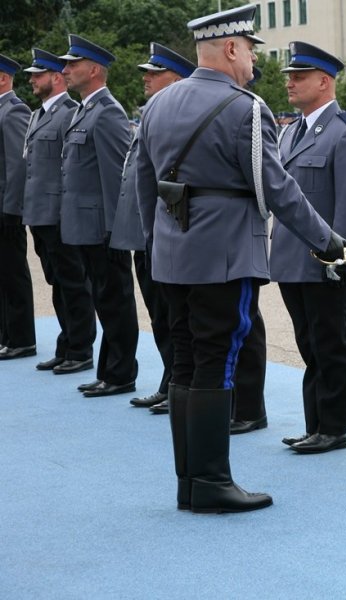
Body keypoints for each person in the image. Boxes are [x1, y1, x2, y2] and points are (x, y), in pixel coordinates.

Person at [134, 4, 346, 514]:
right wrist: (325, 239)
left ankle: (189, 481)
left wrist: (157, 242)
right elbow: (277, 187)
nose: (253, 60)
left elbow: (143, 186)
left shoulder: (158, 105)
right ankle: (211, 481)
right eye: (250, 49)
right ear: (230, 48)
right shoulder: (245, 107)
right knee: (217, 362)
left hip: (172, 255)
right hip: (224, 255)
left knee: (185, 362)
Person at [271, 41, 346, 454]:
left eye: (299, 77)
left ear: (324, 81)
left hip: (324, 260)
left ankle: (334, 428)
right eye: (290, 77)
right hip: (289, 259)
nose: (291, 83)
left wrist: (338, 257)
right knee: (309, 345)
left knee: (331, 344)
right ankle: (315, 423)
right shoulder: (290, 132)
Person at [109, 43, 195, 412]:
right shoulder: (152, 117)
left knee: (176, 317)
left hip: (169, 234)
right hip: (147, 235)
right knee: (161, 315)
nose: (145, 77)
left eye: (154, 72)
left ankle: (180, 384)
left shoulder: (179, 122)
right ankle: (170, 380)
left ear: (176, 81)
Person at [59, 35, 139, 395]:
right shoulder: (84, 109)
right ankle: (109, 370)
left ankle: (121, 374)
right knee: (105, 302)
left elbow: (117, 178)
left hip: (103, 229)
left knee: (115, 301)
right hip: (86, 227)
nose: (65, 70)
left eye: (72, 64)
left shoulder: (107, 112)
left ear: (93, 70)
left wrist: (115, 232)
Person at [21, 49, 95, 372]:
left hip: (60, 214)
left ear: (55, 78)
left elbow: (71, 169)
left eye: (38, 75)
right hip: (40, 214)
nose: (31, 80)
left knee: (74, 283)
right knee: (58, 283)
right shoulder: (38, 115)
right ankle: (67, 344)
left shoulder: (68, 113)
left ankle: (80, 350)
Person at [0, 54, 36, 360]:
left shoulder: (13, 110)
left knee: (12, 273)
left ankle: (22, 338)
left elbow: (17, 165)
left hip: (5, 209)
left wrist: (12, 210)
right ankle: (6, 334)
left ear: (3, 78)